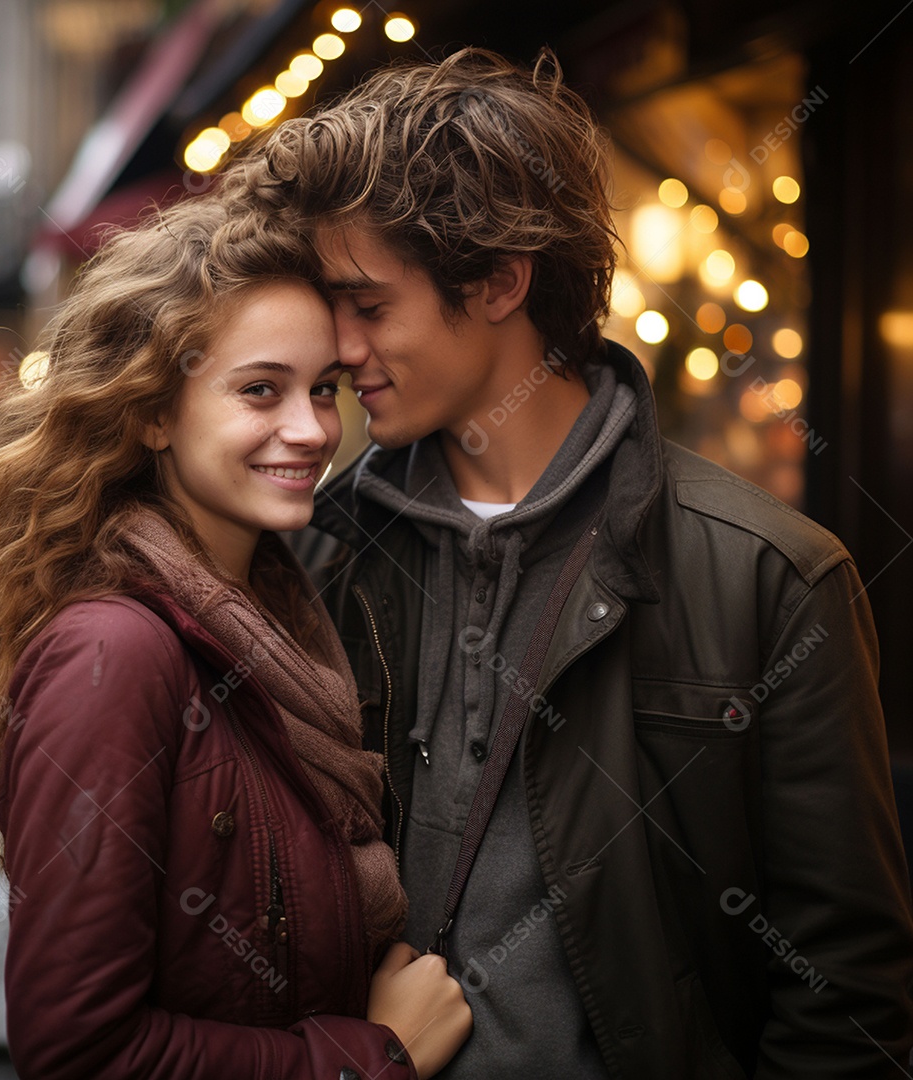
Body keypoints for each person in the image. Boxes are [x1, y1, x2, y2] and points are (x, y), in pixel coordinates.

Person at [236, 47, 913, 1077]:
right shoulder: (316, 552)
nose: (340, 348)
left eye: (369, 306)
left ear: (503, 281)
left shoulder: (773, 576)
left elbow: (845, 999)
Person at [0, 193, 470, 1079]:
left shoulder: (287, 612)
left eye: (322, 389)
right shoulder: (115, 655)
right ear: (153, 413)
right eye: (260, 390)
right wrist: (370, 1057)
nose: (312, 429)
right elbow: (78, 1050)